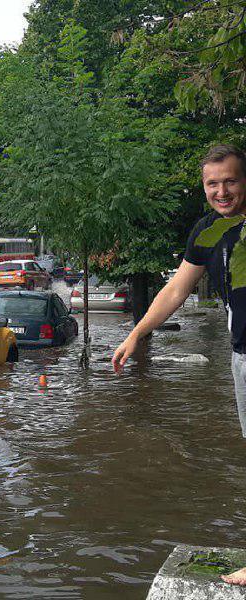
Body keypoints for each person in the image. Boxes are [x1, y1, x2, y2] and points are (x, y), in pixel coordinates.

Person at [112, 144, 246, 586]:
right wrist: (136, 333)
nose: (222, 191)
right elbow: (175, 291)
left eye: (230, 180)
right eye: (213, 183)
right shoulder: (206, 231)